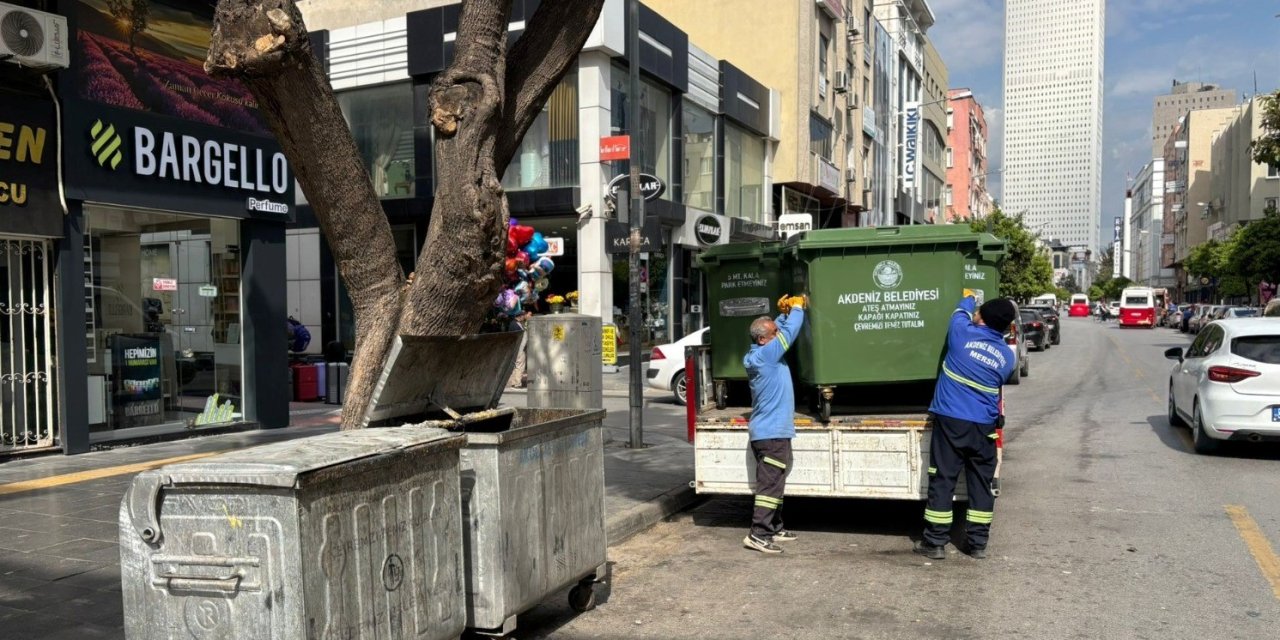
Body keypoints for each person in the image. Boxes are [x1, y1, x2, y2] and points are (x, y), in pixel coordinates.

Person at [914, 295, 1016, 560]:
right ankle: (978, 544)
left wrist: (970, 298)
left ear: (981, 317)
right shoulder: (1006, 357)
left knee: (943, 479)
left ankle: (935, 542)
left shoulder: (961, 335)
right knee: (981, 484)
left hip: (952, 422)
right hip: (984, 427)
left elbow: (958, 312)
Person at [741, 294, 807, 554]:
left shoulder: (762, 353)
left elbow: (778, 331)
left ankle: (775, 527)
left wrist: (782, 313)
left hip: (769, 432)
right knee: (769, 485)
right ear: (762, 339)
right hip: (771, 435)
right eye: (773, 332)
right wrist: (798, 309)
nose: (777, 333)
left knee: (776, 481)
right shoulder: (767, 356)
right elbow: (788, 334)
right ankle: (758, 534)